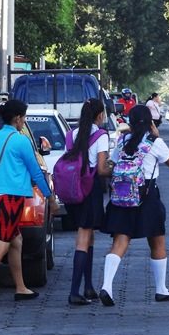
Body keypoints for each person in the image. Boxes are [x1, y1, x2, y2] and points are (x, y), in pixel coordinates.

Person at [0, 99, 53, 306]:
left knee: (16, 240)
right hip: (11, 198)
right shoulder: (21, 141)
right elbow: (36, 172)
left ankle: (21, 287)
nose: (24, 121)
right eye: (24, 117)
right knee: (2, 244)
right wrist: (49, 195)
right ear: (18, 118)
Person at [99, 105, 169, 306]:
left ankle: (107, 286)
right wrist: (157, 135)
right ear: (150, 122)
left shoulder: (123, 140)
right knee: (157, 241)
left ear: (131, 122)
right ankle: (161, 289)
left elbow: (112, 164)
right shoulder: (154, 141)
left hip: (122, 197)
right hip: (147, 196)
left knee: (120, 241)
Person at [64, 98, 111, 305]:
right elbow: (101, 169)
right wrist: (115, 168)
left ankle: (88, 287)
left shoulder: (71, 135)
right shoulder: (101, 135)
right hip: (90, 190)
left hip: (74, 190)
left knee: (88, 235)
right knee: (84, 238)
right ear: (100, 115)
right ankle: (74, 292)